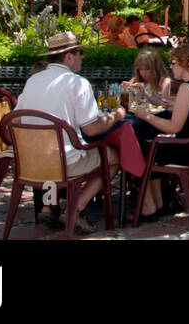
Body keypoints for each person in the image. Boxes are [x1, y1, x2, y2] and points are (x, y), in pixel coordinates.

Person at [16, 32, 125, 233]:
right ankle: (76, 209)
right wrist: (117, 115)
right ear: (68, 56)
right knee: (115, 157)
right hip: (63, 162)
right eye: (80, 52)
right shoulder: (77, 83)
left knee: (55, 151)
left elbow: (16, 119)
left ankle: (49, 206)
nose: (82, 57)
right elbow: (92, 128)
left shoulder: (33, 81)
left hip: (30, 161)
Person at [132, 43, 189, 222]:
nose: (170, 67)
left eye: (173, 62)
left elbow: (174, 127)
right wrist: (171, 105)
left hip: (185, 152)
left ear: (185, 63)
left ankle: (149, 207)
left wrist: (145, 116)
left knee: (137, 148)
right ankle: (160, 203)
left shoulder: (187, 88)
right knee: (150, 145)